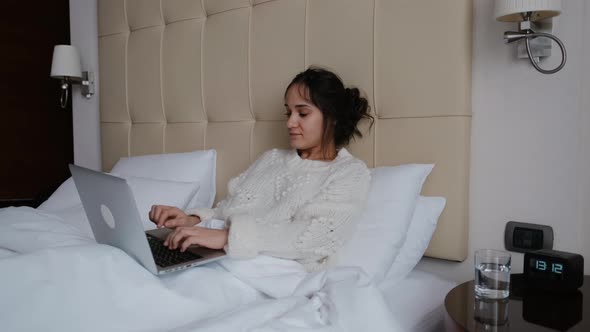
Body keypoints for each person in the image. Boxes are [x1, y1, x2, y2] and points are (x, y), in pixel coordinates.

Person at [149, 67, 373, 271]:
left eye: (302, 113)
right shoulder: (271, 159)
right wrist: (191, 220)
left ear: (332, 118)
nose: (290, 122)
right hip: (215, 258)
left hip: (268, 273)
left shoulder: (350, 173)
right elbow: (226, 210)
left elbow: (316, 236)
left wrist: (227, 237)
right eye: (289, 112)